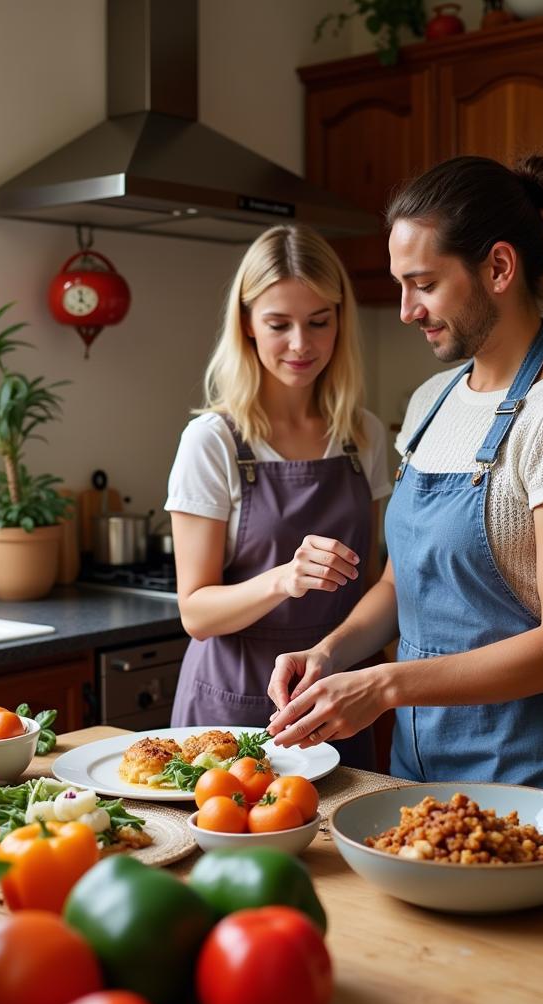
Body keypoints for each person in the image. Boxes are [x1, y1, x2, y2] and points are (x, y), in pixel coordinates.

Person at [266, 155, 543, 834]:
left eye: (425, 285)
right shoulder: (431, 402)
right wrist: (332, 652)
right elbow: (400, 583)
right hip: (422, 775)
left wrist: (383, 686)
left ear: (498, 269)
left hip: (542, 785)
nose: (408, 310)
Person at [165, 224, 392, 769]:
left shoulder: (364, 436)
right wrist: (284, 580)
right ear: (246, 324)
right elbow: (195, 611)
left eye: (319, 322)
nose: (301, 344)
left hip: (336, 698)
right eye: (278, 324)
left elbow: (377, 581)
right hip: (233, 703)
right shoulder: (213, 441)